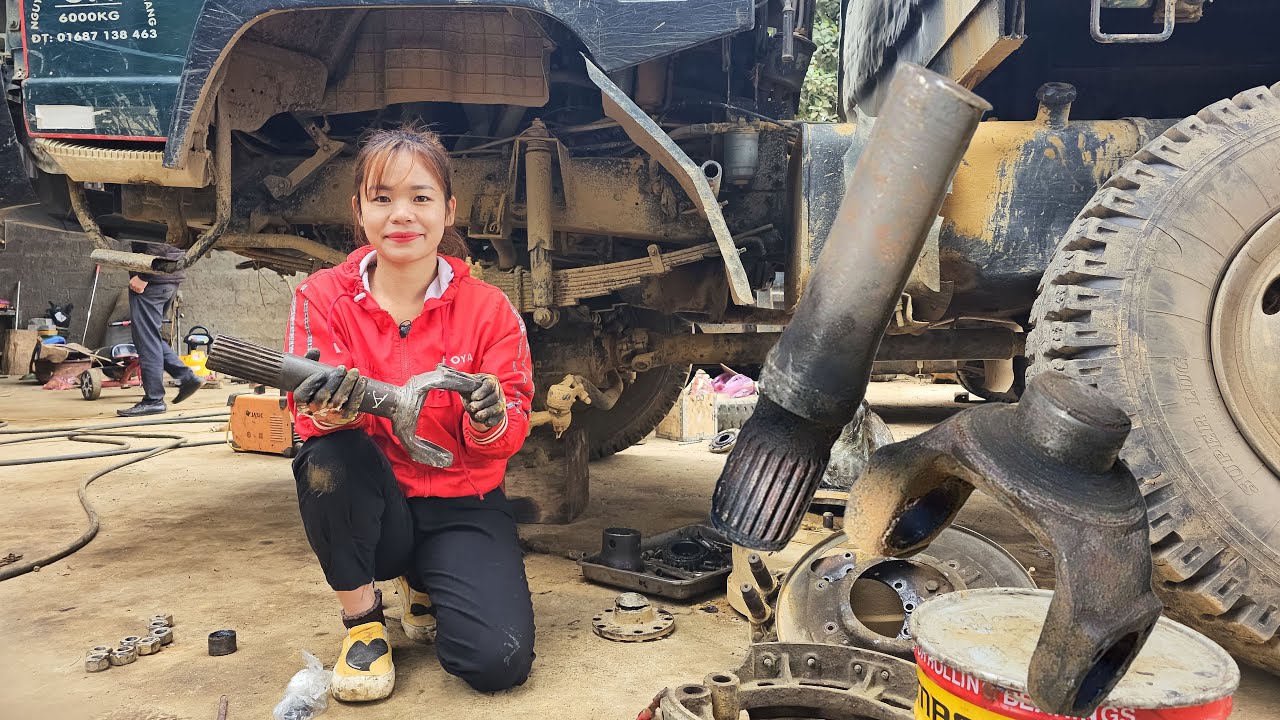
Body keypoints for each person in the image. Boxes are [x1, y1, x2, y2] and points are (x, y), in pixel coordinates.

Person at [284, 126, 535, 702]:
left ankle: (427, 584)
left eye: (421, 198)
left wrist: (490, 417)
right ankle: (365, 621)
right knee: (327, 459)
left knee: (497, 664)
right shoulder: (322, 297)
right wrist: (330, 414)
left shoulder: (489, 309)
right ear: (359, 211)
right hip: (379, 507)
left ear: (448, 211)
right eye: (382, 198)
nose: (402, 215)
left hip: (463, 503)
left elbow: (507, 435)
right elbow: (305, 416)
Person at [117, 241, 204, 417]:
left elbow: (159, 241)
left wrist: (144, 275)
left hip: (153, 280)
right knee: (149, 336)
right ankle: (185, 376)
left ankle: (154, 399)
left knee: (146, 339)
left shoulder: (162, 215)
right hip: (165, 279)